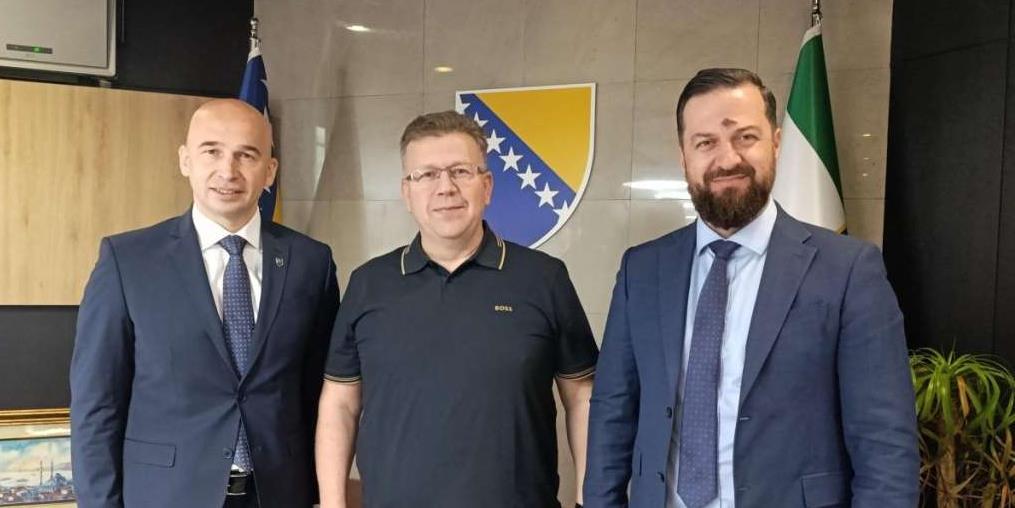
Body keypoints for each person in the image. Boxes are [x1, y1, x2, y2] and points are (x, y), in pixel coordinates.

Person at [583, 68, 919, 508]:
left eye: (745, 137)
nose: (727, 160)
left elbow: (885, 444)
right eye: (705, 142)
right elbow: (612, 412)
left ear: (776, 143)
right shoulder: (642, 270)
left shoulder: (848, 270)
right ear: (683, 156)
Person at [315, 111, 599, 508]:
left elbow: (582, 396)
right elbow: (340, 403)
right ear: (407, 192)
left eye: (461, 172)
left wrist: (589, 498)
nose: (445, 188)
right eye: (427, 175)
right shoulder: (368, 284)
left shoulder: (544, 279)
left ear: (487, 186)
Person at [71, 99, 340, 508]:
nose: (228, 171)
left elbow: (318, 394)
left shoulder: (311, 263)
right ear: (185, 160)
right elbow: (97, 404)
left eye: (246, 155)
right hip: (166, 495)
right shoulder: (128, 261)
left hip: (279, 493)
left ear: (270, 170)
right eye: (211, 151)